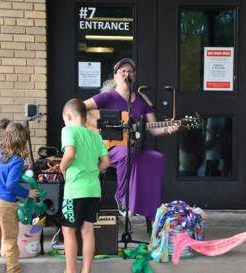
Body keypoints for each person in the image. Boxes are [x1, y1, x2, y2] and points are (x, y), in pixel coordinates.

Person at [84, 58, 180, 220]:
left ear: (134, 77)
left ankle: (148, 208)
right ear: (115, 76)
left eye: (130, 72)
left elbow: (154, 128)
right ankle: (122, 197)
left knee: (159, 159)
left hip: (138, 145)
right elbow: (79, 108)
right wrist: (100, 125)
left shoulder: (143, 99)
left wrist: (167, 129)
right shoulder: (107, 97)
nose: (127, 74)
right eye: (123, 71)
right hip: (112, 147)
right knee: (128, 154)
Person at [60, 99, 110, 273]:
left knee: (68, 230)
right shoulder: (96, 136)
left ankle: (71, 271)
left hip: (75, 190)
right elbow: (106, 162)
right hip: (93, 189)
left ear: (67, 116)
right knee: (88, 230)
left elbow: (70, 153)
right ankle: (86, 271)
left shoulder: (68, 130)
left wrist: (62, 167)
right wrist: (92, 171)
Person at [0, 122, 39, 273]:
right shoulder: (18, 160)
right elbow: (11, 185)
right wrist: (27, 193)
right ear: (22, 141)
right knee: (9, 242)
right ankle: (13, 270)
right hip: (5, 204)